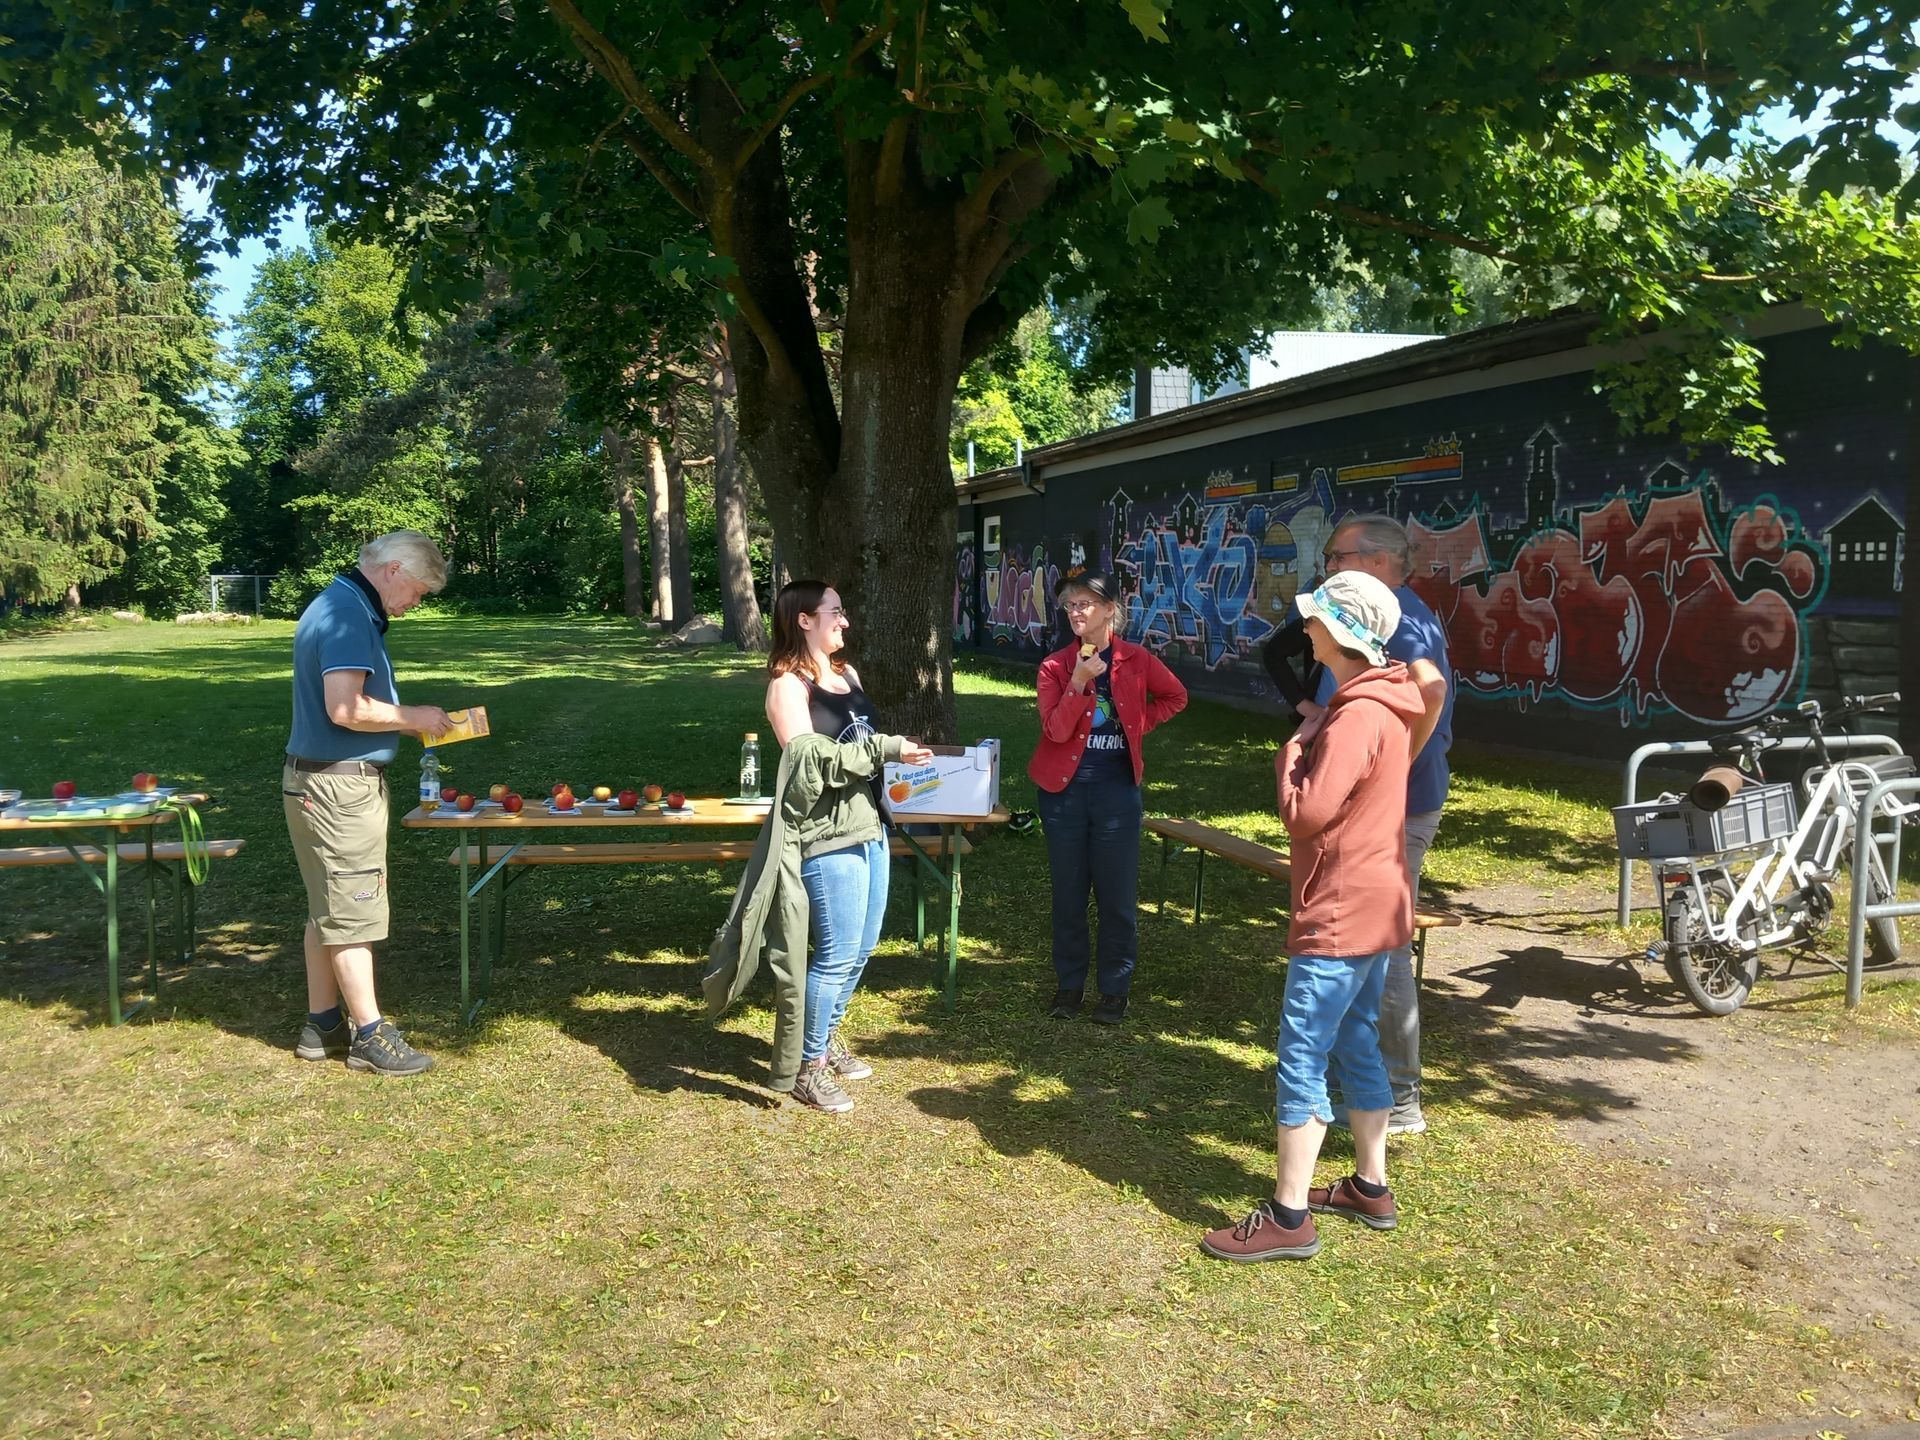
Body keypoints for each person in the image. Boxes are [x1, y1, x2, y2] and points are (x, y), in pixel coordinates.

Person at [1202, 570, 1423, 1261]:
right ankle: (1370, 1185)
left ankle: (1289, 1215)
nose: (1306, 628)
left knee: (1302, 1051)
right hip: (1377, 904)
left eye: (1316, 619)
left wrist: (1292, 753)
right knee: (1356, 1038)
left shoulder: (1356, 715)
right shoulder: (1384, 701)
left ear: (1342, 634)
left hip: (1341, 911)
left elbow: (1306, 814)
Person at [1294, 514, 1452, 1135]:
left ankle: (1398, 1096)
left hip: (1396, 811)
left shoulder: (1396, 617)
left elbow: (1429, 690)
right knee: (1368, 944)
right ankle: (1362, 1084)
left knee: (1380, 947)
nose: (1329, 568)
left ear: (1379, 562)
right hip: (1381, 805)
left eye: (1338, 557)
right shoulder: (1397, 612)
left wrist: (1394, 764)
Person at [284, 530, 453, 1075]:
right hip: (339, 789)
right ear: (394, 570)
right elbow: (346, 708)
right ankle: (370, 1034)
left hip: (317, 781)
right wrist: (412, 718)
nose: (414, 604)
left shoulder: (336, 602)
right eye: (418, 592)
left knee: (328, 906)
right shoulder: (347, 615)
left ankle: (322, 1024)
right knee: (354, 909)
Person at [763, 580, 933, 1113]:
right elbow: (811, 767)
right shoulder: (788, 688)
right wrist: (887, 749)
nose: (845, 621)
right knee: (835, 954)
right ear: (804, 620)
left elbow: (860, 752)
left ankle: (825, 1039)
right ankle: (806, 1067)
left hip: (871, 825)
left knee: (861, 949)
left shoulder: (848, 675)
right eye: (835, 612)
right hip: (827, 832)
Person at [1026, 571, 1188, 1025]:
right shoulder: (1055, 666)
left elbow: (1175, 697)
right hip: (1064, 796)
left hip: (1117, 795)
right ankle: (1069, 985)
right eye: (1070, 605)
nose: (1075, 612)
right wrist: (1078, 681)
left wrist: (1136, 724)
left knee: (1117, 897)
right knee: (1069, 894)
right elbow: (1055, 730)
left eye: (1085, 604)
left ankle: (1115, 990)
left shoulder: (1136, 659)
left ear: (1110, 610)